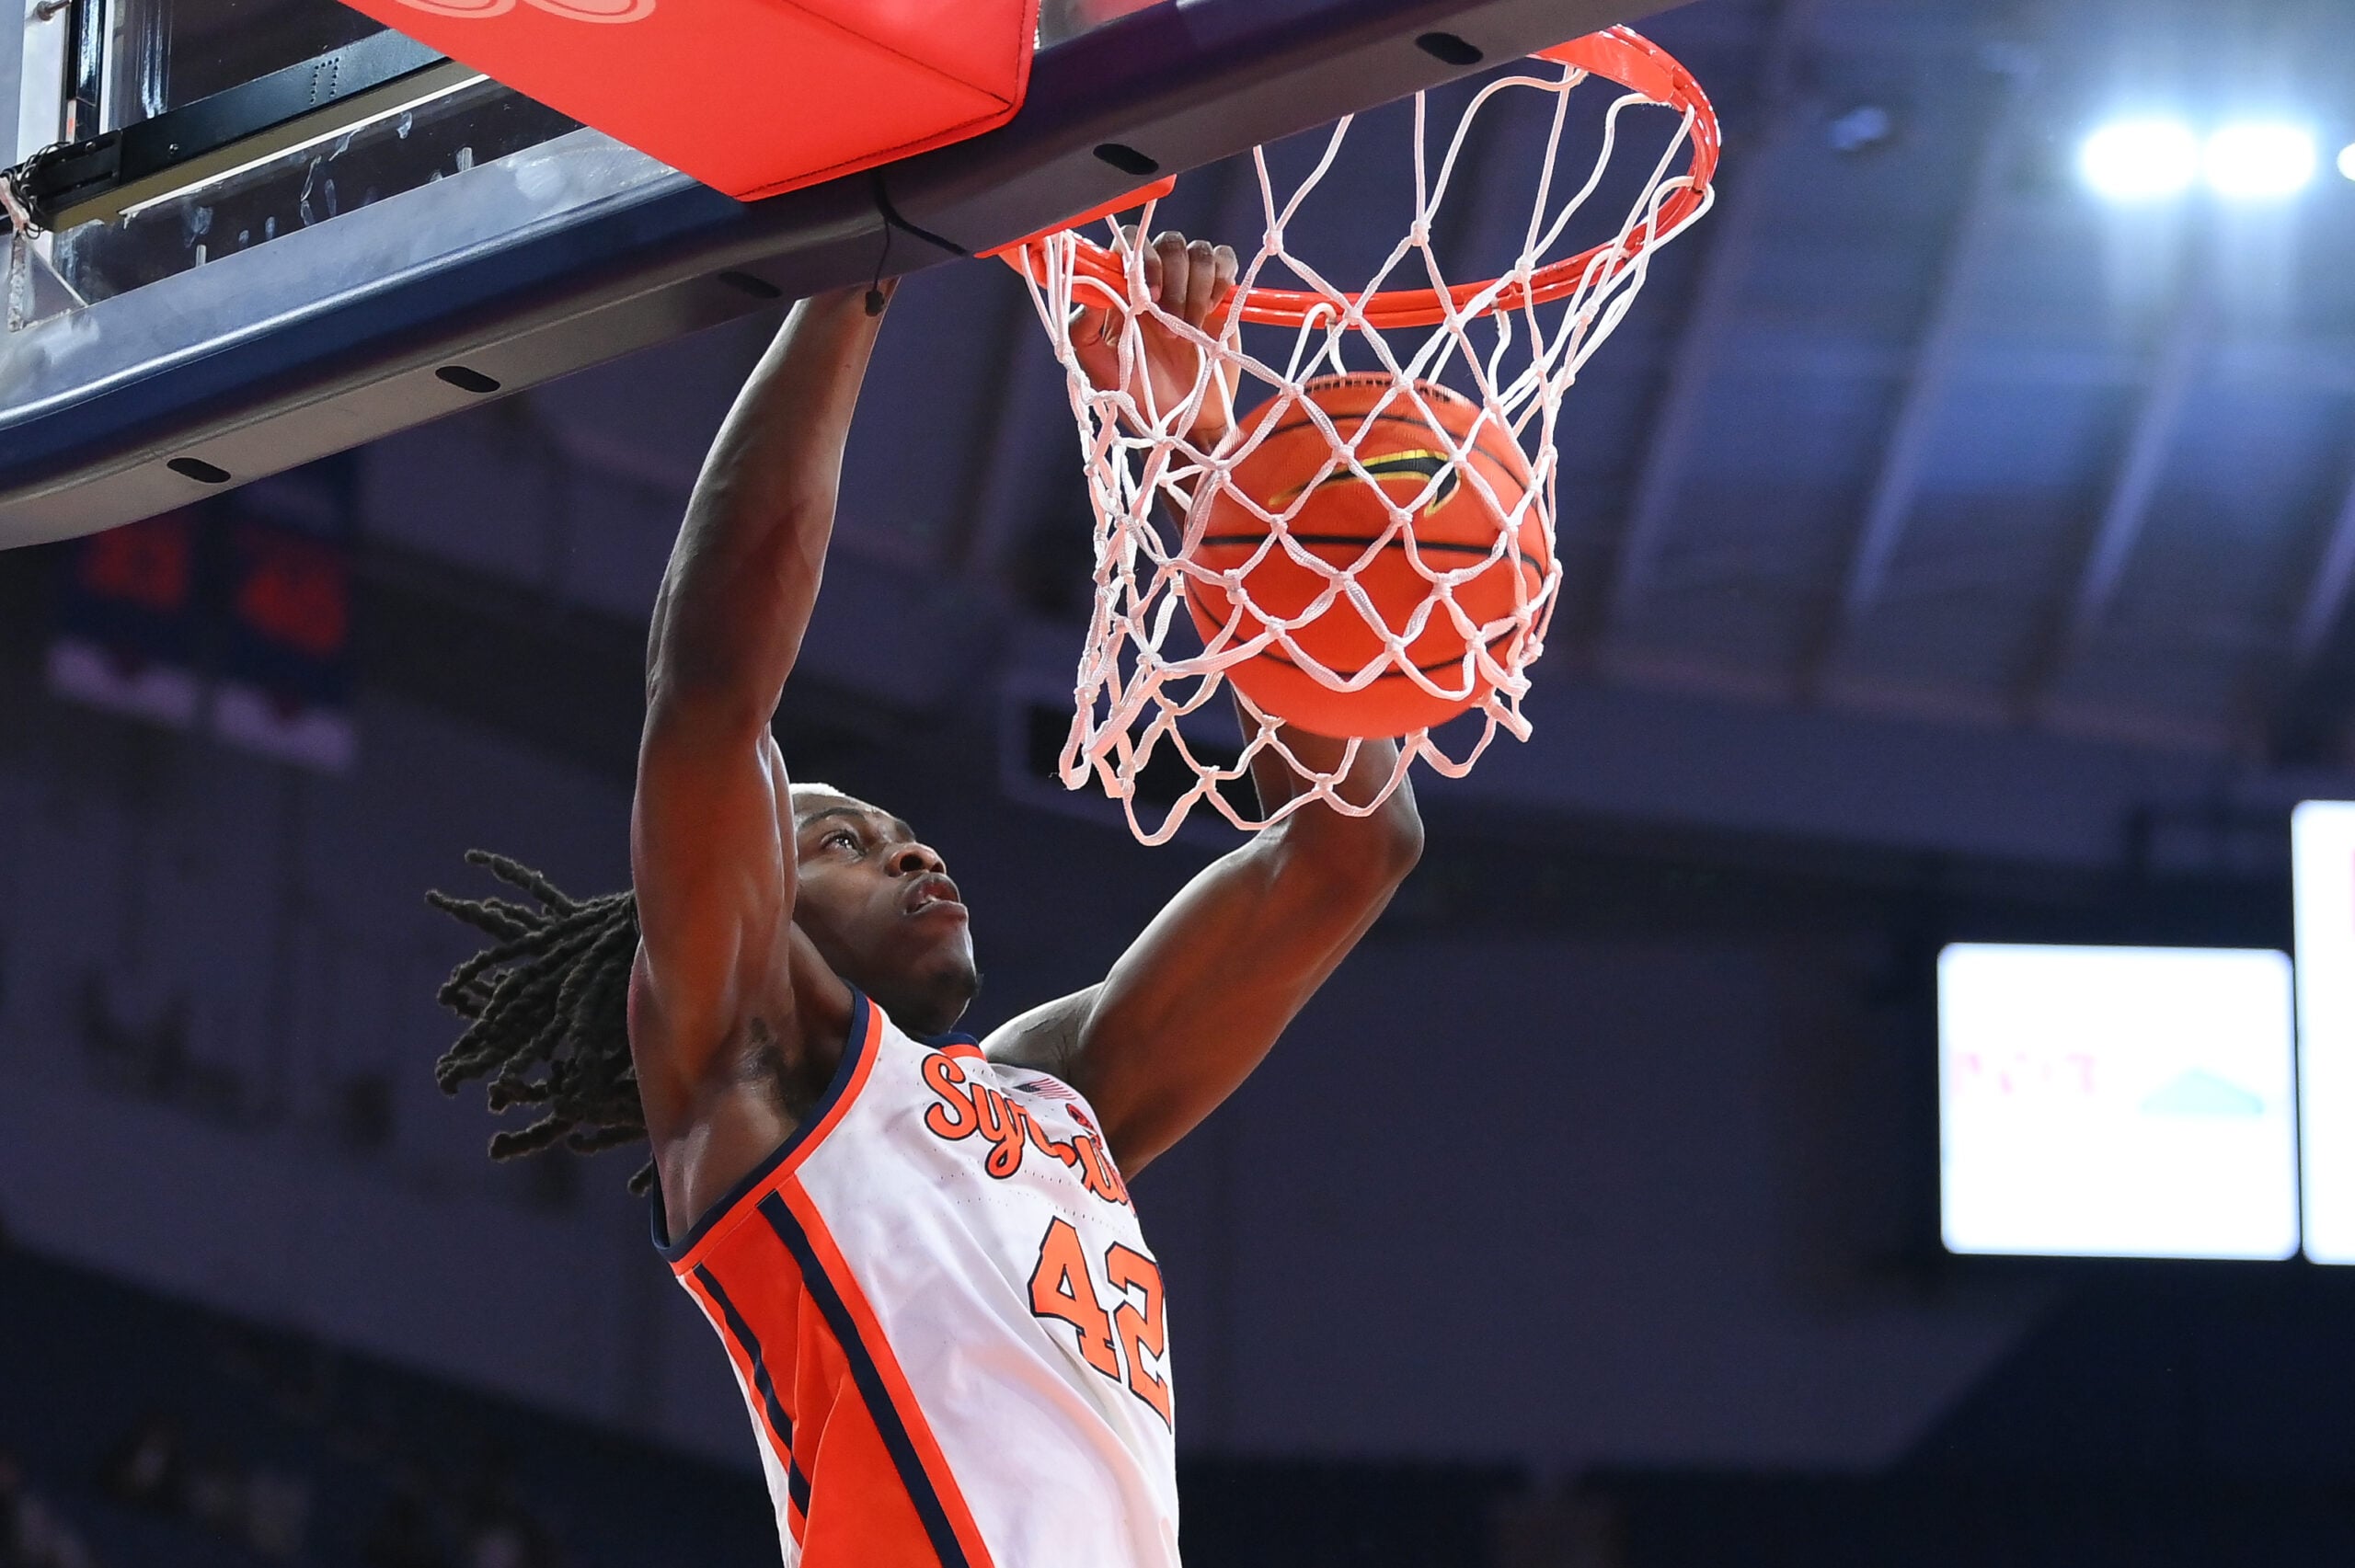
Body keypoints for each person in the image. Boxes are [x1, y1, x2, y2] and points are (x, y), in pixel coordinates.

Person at [427, 234, 1422, 1567]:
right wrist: (863, 259)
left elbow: (1352, 847)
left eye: (900, 831)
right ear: (758, 903)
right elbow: (715, 686)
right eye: (840, 839)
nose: (908, 853)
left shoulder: (1059, 1098)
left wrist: (1207, 463)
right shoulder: (747, 1071)